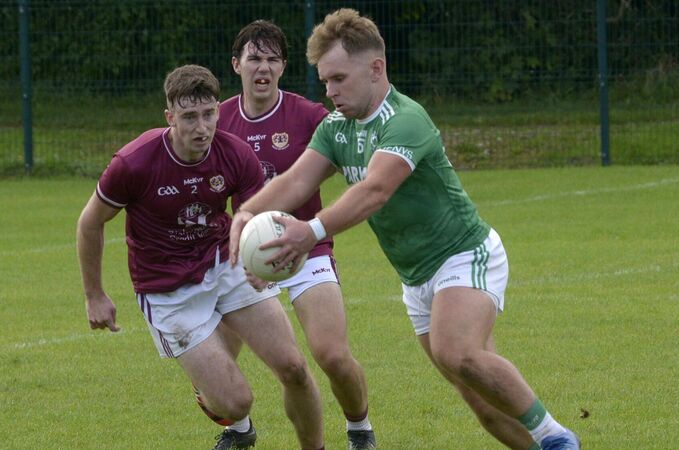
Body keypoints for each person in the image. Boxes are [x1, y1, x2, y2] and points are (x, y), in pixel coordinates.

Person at [228, 9, 581, 450]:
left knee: (456, 351)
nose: (330, 91)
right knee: (483, 404)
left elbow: (374, 190)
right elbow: (296, 181)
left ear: (375, 69)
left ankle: (555, 436)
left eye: (339, 79)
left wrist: (311, 231)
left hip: (463, 255)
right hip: (415, 277)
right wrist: (246, 213)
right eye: (325, 81)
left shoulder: (405, 119)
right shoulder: (336, 128)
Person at [76, 63, 325, 450]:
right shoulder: (134, 162)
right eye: (189, 117)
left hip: (224, 264)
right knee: (236, 402)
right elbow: (90, 222)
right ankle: (229, 414)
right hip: (167, 289)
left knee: (294, 369)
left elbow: (254, 217)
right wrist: (94, 294)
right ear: (170, 117)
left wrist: (262, 262)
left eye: (209, 114)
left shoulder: (234, 153)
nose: (201, 127)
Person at [196, 20, 375, 450]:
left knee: (332, 355)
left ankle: (359, 429)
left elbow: (356, 151)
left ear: (283, 67)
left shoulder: (310, 116)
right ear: (236, 64)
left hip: (307, 249)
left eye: (272, 59)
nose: (263, 67)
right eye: (254, 58)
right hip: (246, 257)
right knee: (212, 366)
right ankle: (239, 429)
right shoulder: (218, 121)